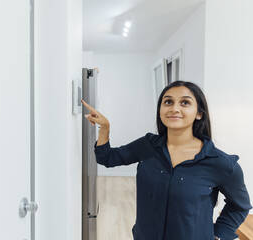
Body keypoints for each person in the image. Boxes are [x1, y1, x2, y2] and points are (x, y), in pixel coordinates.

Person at [81, 80, 252, 240]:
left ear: (199, 113)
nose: (174, 108)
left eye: (185, 103)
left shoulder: (220, 163)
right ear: (160, 109)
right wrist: (105, 127)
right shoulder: (147, 146)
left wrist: (219, 234)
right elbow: (108, 158)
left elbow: (240, 206)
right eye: (168, 102)